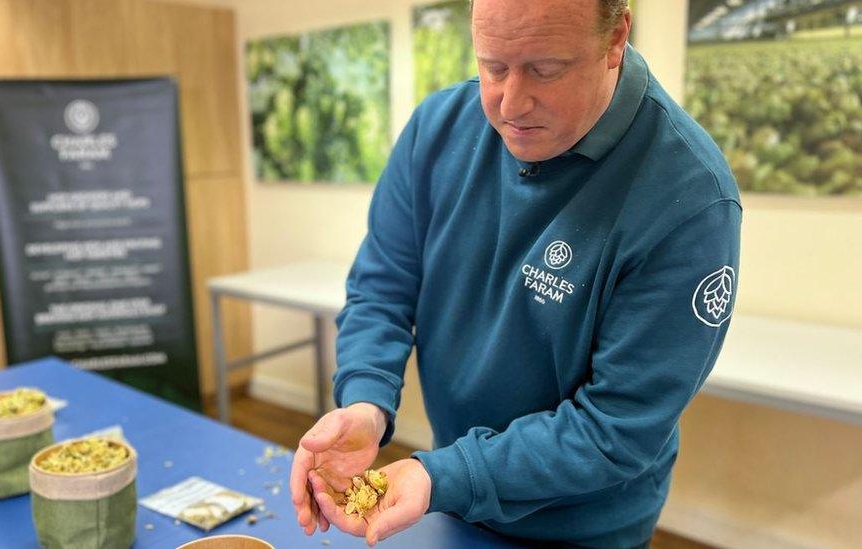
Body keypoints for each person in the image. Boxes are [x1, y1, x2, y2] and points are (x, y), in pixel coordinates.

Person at [290, 0, 742, 546]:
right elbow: (382, 288)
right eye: (493, 66)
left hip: (583, 525)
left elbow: (614, 429)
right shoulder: (436, 130)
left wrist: (443, 474)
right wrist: (365, 400)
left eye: (546, 70)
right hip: (453, 497)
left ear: (616, 38)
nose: (511, 103)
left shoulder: (690, 197)